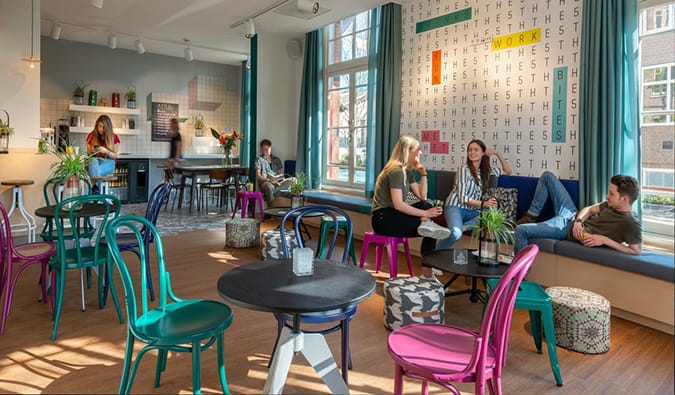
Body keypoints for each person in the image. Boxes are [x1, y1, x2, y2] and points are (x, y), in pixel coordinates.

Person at [371, 135, 451, 278]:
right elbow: (399, 204)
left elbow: (422, 196)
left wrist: (423, 173)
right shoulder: (395, 171)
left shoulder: (406, 171)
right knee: (431, 229)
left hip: (395, 215)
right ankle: (427, 274)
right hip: (383, 218)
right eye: (418, 149)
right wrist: (425, 214)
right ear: (408, 151)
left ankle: (427, 226)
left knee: (427, 208)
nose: (420, 153)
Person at [514, 172, 642, 255]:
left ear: (624, 199)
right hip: (572, 215)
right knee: (547, 176)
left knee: (521, 230)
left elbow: (635, 250)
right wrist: (578, 221)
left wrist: (604, 240)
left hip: (565, 228)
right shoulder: (611, 205)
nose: (607, 196)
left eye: (612, 194)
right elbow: (590, 209)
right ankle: (531, 216)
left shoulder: (630, 222)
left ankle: (519, 278)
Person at [436, 139, 512, 250]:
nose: (472, 152)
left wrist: (496, 153)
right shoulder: (463, 169)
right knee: (456, 234)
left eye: (476, 149)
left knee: (491, 213)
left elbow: (508, 171)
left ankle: (463, 228)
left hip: (472, 210)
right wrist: (484, 203)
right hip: (455, 206)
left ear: (483, 153)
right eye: (470, 150)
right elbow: (463, 198)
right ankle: (433, 256)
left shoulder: (487, 171)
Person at [255, 139, 285, 207]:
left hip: (277, 181)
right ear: (261, 149)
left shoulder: (276, 159)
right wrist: (268, 180)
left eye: (267, 149)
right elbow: (258, 175)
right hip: (265, 182)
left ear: (270, 148)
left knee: (286, 185)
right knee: (269, 186)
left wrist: (279, 178)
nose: (265, 151)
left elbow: (280, 174)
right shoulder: (259, 159)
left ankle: (282, 209)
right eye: (263, 149)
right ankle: (271, 210)